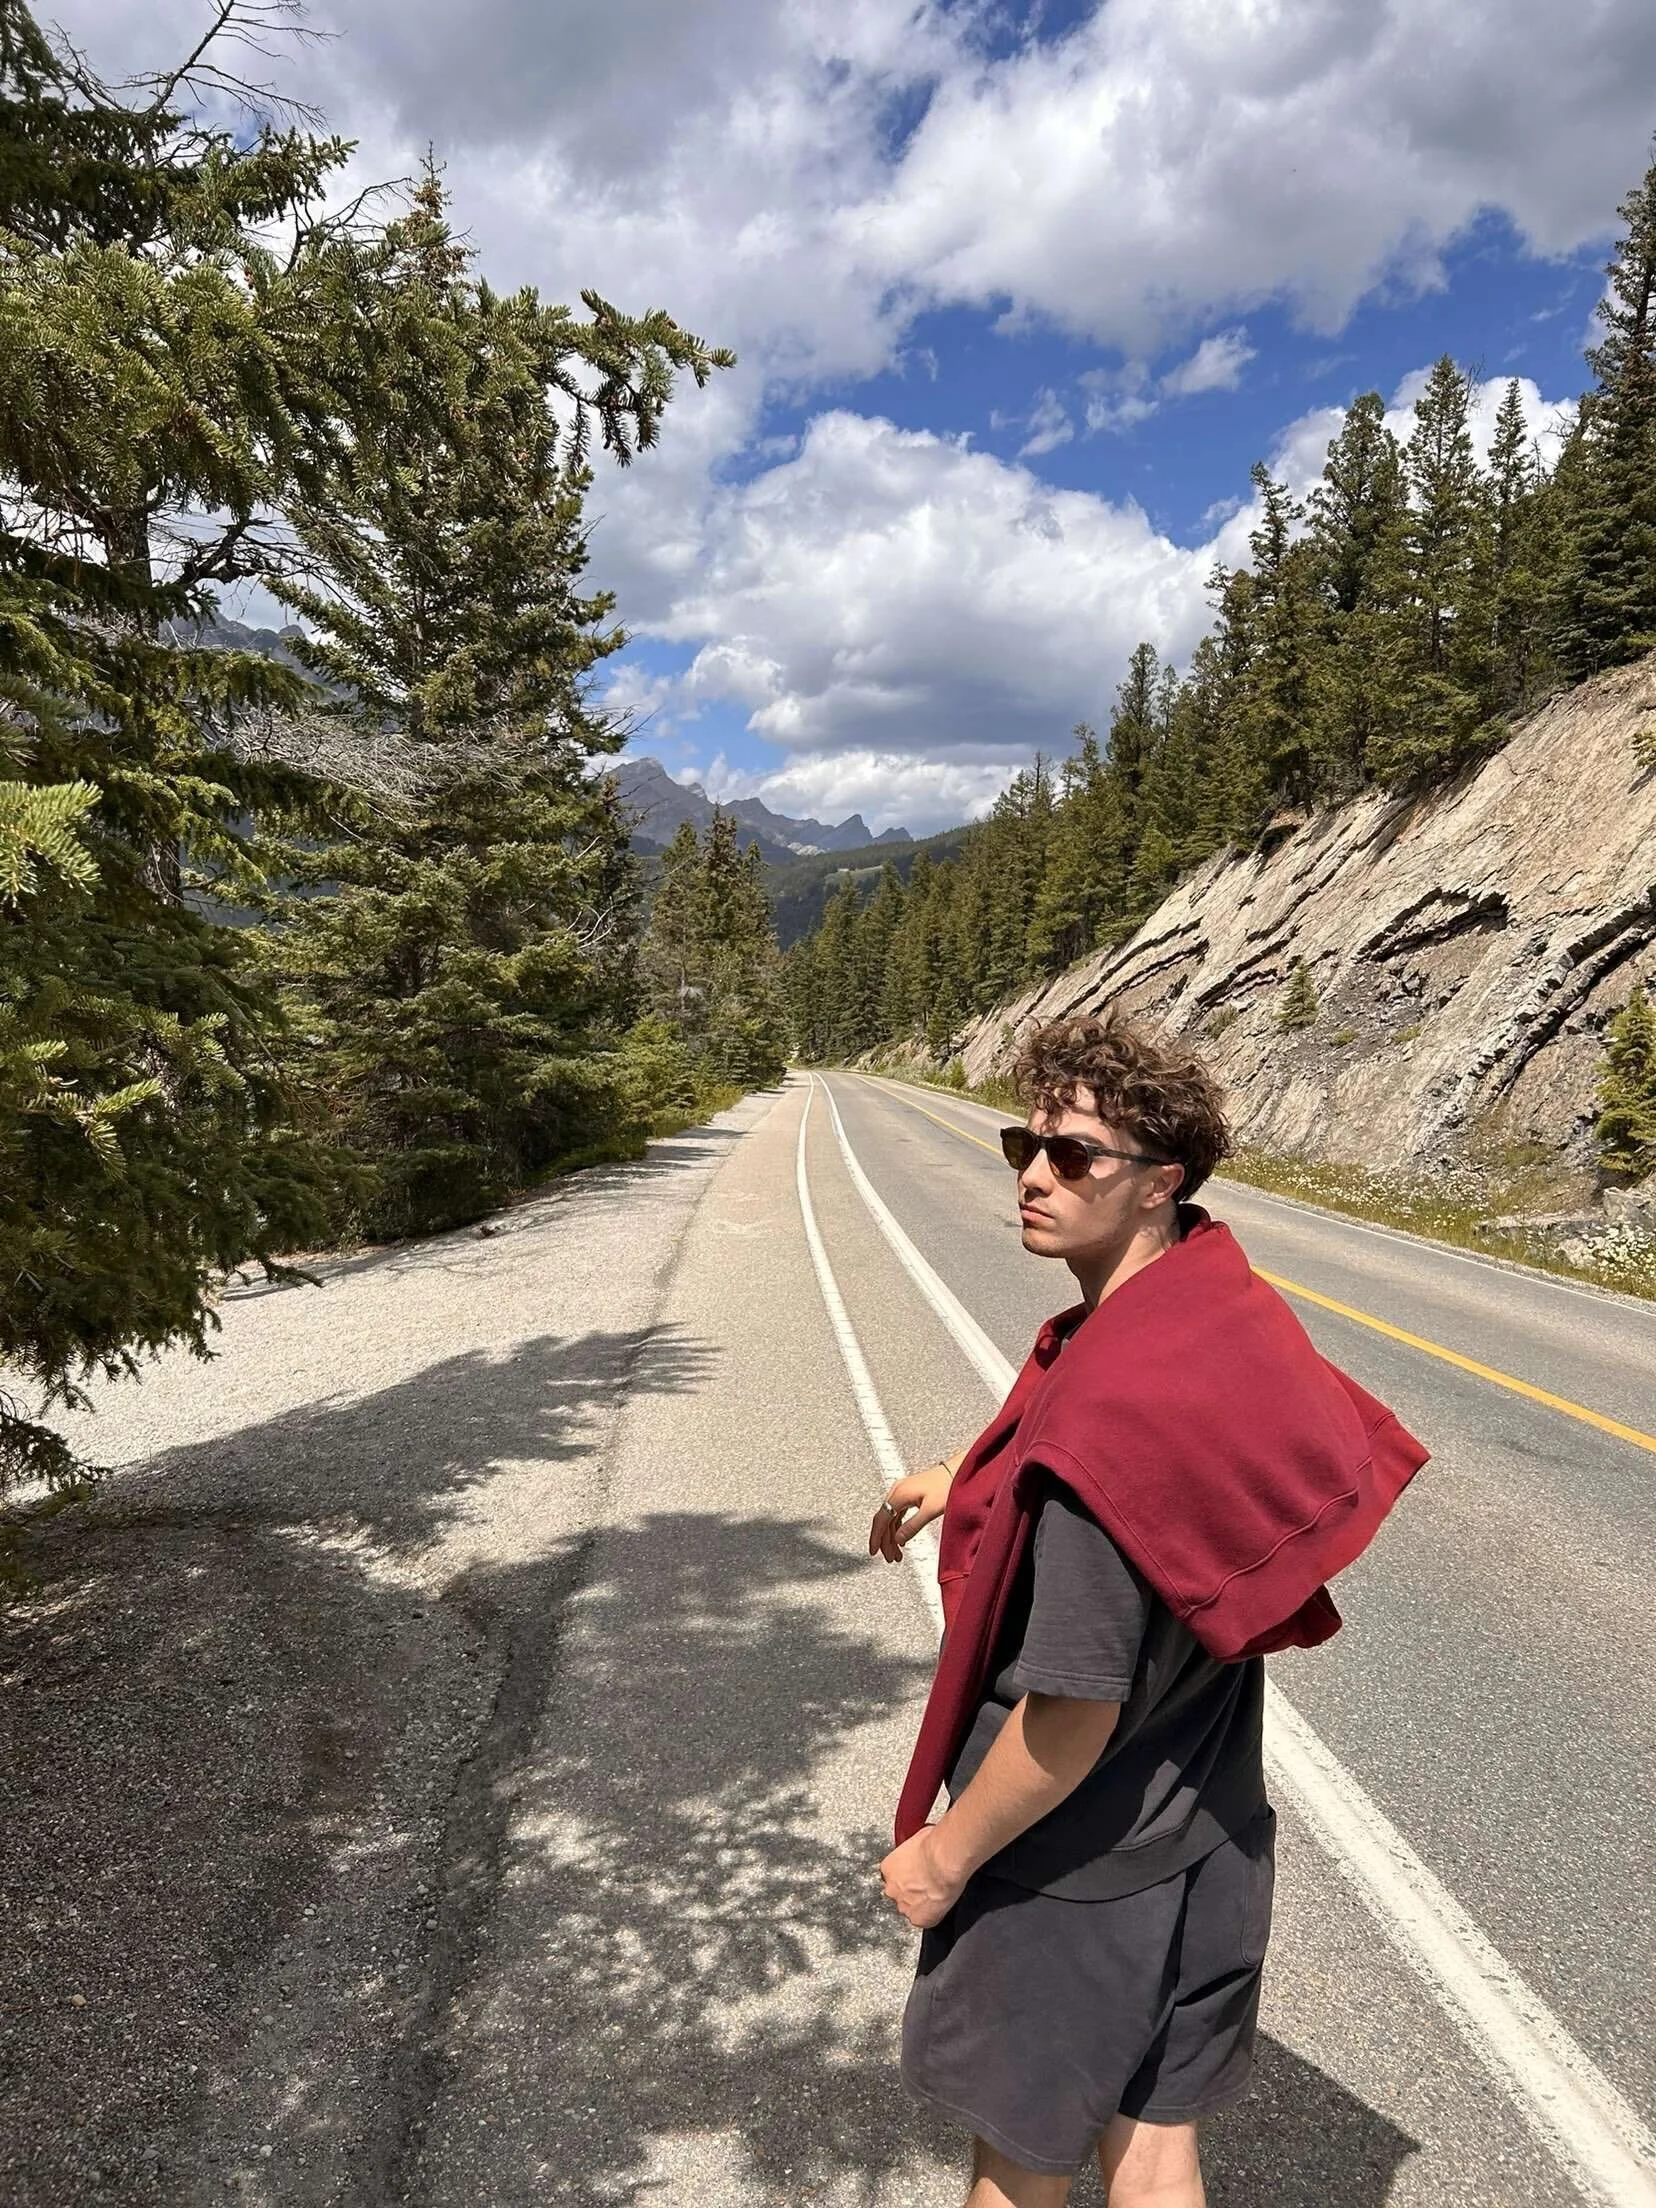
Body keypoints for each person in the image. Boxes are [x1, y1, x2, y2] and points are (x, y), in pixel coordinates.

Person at [868, 1010, 1426, 2208]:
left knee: (1016, 2172)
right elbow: (1164, 1468)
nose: (1032, 1175)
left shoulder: (1099, 1437)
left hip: (1071, 1865)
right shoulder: (1219, 1315)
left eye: (1075, 1157)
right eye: (1025, 1143)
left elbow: (1068, 1714)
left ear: (1162, 1181)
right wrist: (971, 1475)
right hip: (1210, 1829)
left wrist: (945, 1860)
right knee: (1157, 2147)